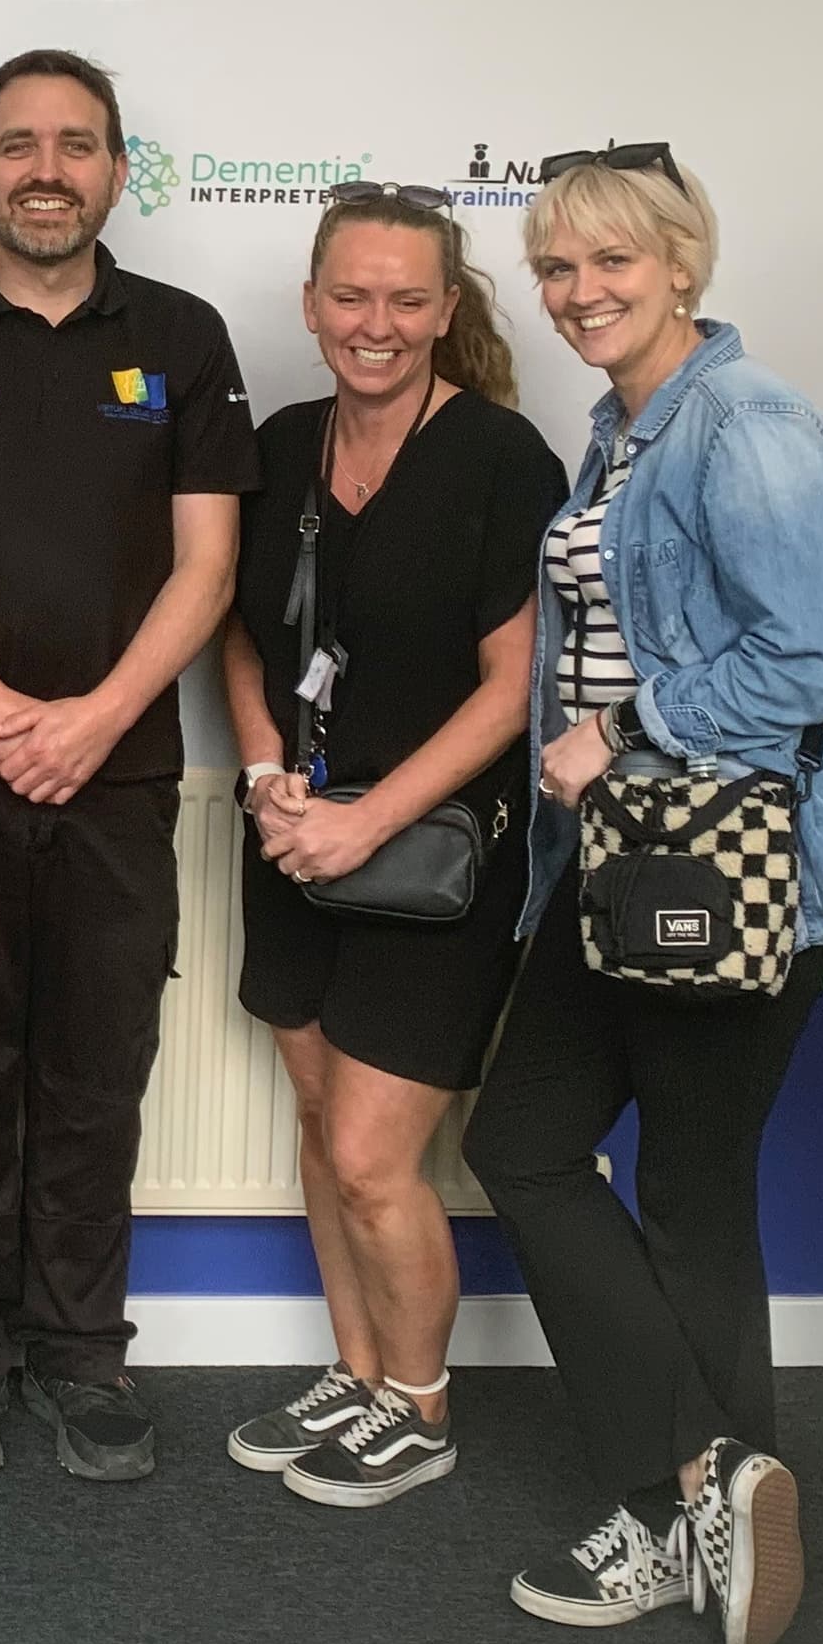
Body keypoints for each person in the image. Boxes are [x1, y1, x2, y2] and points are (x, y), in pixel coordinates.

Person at [464, 144, 823, 1644]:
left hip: (727, 865)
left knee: (687, 1194)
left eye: (612, 263)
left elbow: (811, 660)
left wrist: (627, 725)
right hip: (623, 861)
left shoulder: (747, 426)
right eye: (556, 268)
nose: (580, 293)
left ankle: (675, 1505)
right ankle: (714, 1473)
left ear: (682, 263)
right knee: (538, 1147)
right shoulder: (623, 432)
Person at [0, 49, 258, 1482]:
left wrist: (93, 719)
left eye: (76, 144)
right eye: (17, 144)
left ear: (117, 171)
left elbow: (209, 568)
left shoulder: (184, 335)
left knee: (96, 1070)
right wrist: (1, 713)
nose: (47, 170)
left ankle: (80, 1353)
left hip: (121, 777)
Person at [215, 186, 560, 1507]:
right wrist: (265, 776)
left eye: (408, 300)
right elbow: (241, 630)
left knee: (373, 1159)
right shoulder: (281, 445)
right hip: (295, 844)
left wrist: (369, 817)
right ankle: (358, 1374)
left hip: (436, 863)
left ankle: (419, 1405)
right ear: (310, 304)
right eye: (351, 296)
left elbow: (512, 687)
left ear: (447, 309)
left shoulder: (501, 458)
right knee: (318, 1125)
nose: (378, 323)